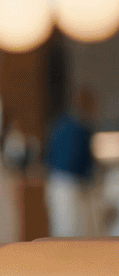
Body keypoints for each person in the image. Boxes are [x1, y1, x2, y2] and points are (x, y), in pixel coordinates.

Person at [44, 89, 98, 237]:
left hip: (65, 184)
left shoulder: (70, 125)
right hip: (65, 184)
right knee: (67, 231)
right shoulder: (70, 127)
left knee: (75, 229)